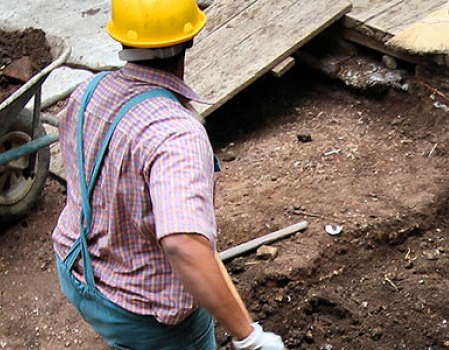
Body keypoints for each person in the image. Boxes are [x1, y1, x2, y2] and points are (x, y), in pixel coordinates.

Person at [51, 0, 283, 349]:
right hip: (140, 311)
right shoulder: (176, 133)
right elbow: (182, 244)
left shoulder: (88, 90)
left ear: (122, 38)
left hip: (77, 270)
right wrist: (250, 337)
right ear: (189, 38)